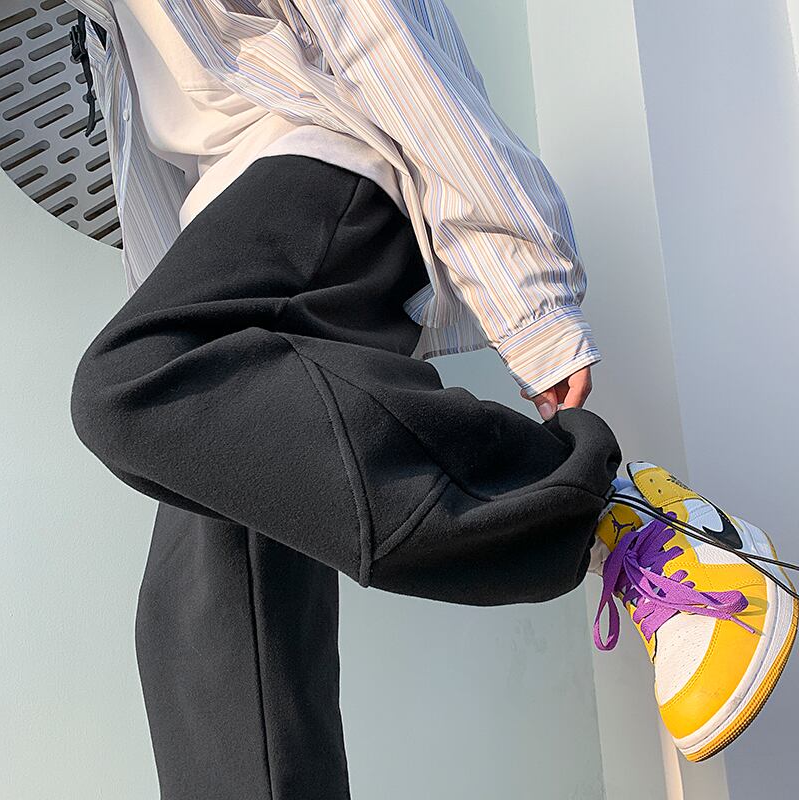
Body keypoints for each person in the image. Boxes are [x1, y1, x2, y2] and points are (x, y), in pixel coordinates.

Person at [66, 2, 797, 797]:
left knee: (131, 380)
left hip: (317, 170)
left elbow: (383, 35)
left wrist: (530, 299)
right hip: (229, 230)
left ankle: (621, 521)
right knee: (203, 618)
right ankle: (613, 519)